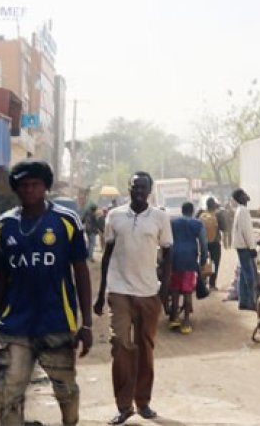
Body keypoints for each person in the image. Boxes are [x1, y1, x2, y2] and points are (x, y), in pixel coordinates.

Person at [0, 160, 93, 426]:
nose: (29, 190)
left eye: (35, 184)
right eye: (23, 185)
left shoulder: (66, 222)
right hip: (14, 327)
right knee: (8, 395)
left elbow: (81, 273)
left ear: (46, 187)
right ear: (16, 189)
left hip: (56, 323)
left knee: (66, 393)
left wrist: (87, 324)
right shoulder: (3, 226)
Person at [94, 171, 173, 425]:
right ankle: (124, 405)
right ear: (128, 189)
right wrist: (100, 293)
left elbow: (168, 255)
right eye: (134, 187)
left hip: (148, 292)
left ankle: (143, 402)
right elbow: (107, 255)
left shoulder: (160, 217)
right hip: (119, 291)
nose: (138, 192)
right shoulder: (115, 216)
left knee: (145, 347)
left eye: (143, 188)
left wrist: (163, 293)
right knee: (120, 344)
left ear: (149, 191)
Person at [169, 202, 207, 334]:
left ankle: (174, 318)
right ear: (192, 211)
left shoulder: (173, 223)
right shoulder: (198, 224)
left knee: (175, 289)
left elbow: (168, 240)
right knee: (187, 290)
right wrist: (203, 259)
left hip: (175, 258)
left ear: (182, 210)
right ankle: (185, 322)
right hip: (190, 258)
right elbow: (203, 243)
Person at [231, 188, 256, 311]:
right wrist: (252, 247)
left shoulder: (240, 210)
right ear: (241, 198)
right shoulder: (244, 211)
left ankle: (243, 301)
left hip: (240, 246)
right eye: (244, 194)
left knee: (243, 274)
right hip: (244, 247)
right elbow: (247, 232)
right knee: (250, 276)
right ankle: (251, 302)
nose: (247, 195)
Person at [197, 197, 221, 289]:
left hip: (204, 242)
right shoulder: (217, 214)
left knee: (203, 261)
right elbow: (223, 227)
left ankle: (202, 281)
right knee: (215, 263)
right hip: (215, 242)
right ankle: (212, 283)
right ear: (214, 206)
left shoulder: (201, 215)